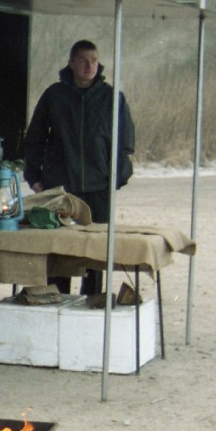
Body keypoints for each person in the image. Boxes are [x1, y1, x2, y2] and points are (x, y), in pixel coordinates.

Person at [22, 39, 135, 295]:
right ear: (71, 63)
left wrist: (117, 178)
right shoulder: (54, 95)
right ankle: (59, 303)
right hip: (61, 189)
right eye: (83, 60)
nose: (89, 66)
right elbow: (35, 138)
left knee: (95, 255)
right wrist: (33, 175)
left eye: (94, 60)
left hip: (99, 189)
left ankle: (92, 305)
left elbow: (125, 144)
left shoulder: (112, 98)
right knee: (60, 253)